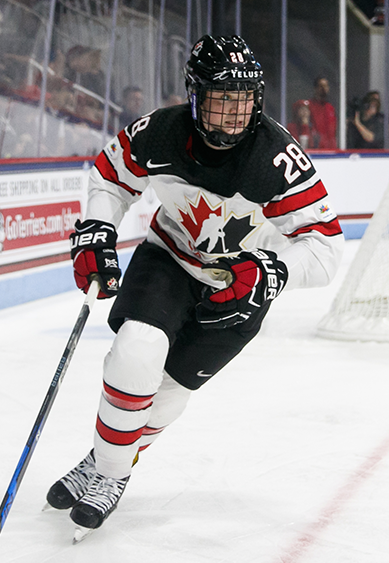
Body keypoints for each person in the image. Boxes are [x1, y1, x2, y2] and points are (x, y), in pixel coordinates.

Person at [46, 35, 344, 541]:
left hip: (239, 286)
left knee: (168, 392)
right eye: (221, 99)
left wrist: (270, 273)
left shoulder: (276, 159)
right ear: (194, 95)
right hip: (168, 259)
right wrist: (97, 229)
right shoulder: (161, 133)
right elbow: (111, 176)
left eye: (243, 100)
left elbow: (325, 247)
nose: (233, 114)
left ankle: (102, 458)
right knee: (137, 350)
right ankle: (113, 474)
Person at [308, 76, 337, 149]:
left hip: (331, 149)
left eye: (326, 86)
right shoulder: (309, 106)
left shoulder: (330, 107)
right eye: (321, 86)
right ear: (315, 88)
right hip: (317, 149)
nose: (324, 89)